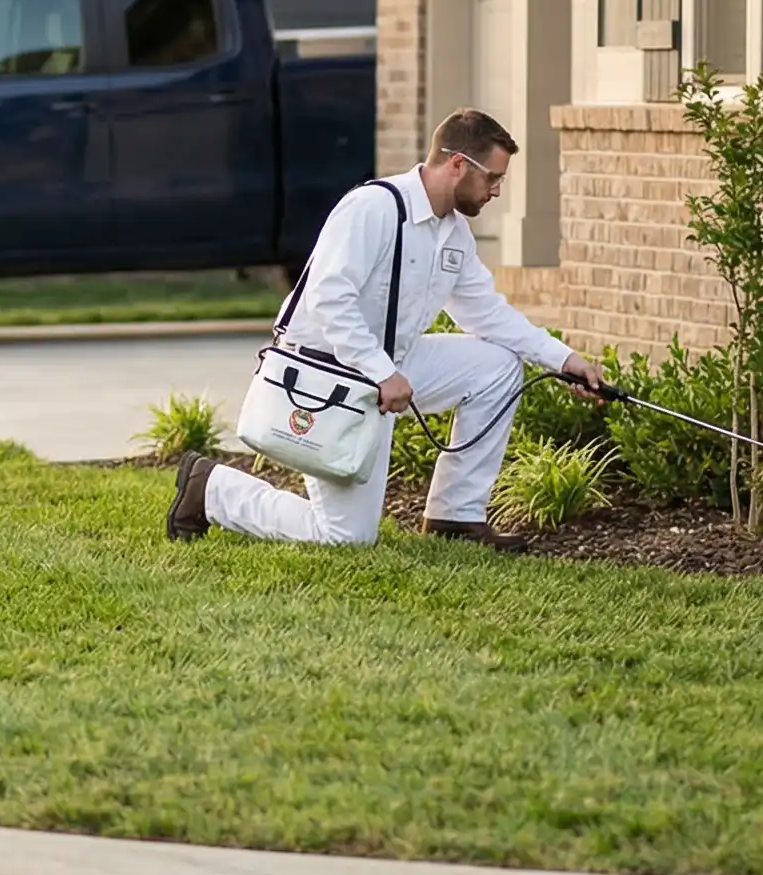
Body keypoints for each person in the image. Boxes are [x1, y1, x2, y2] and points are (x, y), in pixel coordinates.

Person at [166, 108, 606, 552]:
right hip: (329, 371)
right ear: (457, 165)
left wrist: (565, 360)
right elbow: (329, 297)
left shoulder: (454, 233)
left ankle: (454, 516)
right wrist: (381, 372)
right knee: (345, 537)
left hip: (390, 366)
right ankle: (213, 489)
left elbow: (487, 313)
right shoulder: (373, 207)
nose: (496, 190)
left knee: (496, 367)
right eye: (493, 178)